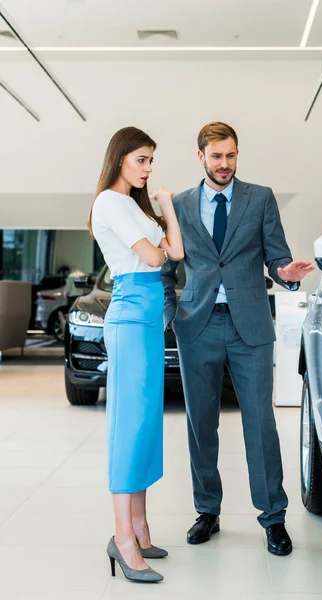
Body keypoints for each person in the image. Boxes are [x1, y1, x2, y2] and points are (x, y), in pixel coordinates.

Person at [162, 122, 314, 557]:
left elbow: (278, 255)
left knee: (260, 423)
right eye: (216, 157)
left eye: (230, 156)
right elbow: (166, 267)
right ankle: (207, 510)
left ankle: (273, 518)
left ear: (237, 154)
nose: (224, 164)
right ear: (201, 157)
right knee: (200, 424)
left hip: (250, 325)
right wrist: (172, 315)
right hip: (198, 325)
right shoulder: (180, 205)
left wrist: (286, 275)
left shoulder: (260, 198)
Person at [89, 126, 184, 583]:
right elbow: (153, 257)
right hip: (129, 316)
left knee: (146, 421)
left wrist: (166, 210)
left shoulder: (135, 205)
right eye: (141, 159)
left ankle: (141, 529)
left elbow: (174, 252)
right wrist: (159, 246)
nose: (147, 169)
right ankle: (122, 538)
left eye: (151, 161)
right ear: (121, 157)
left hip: (147, 318)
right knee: (128, 424)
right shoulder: (110, 201)